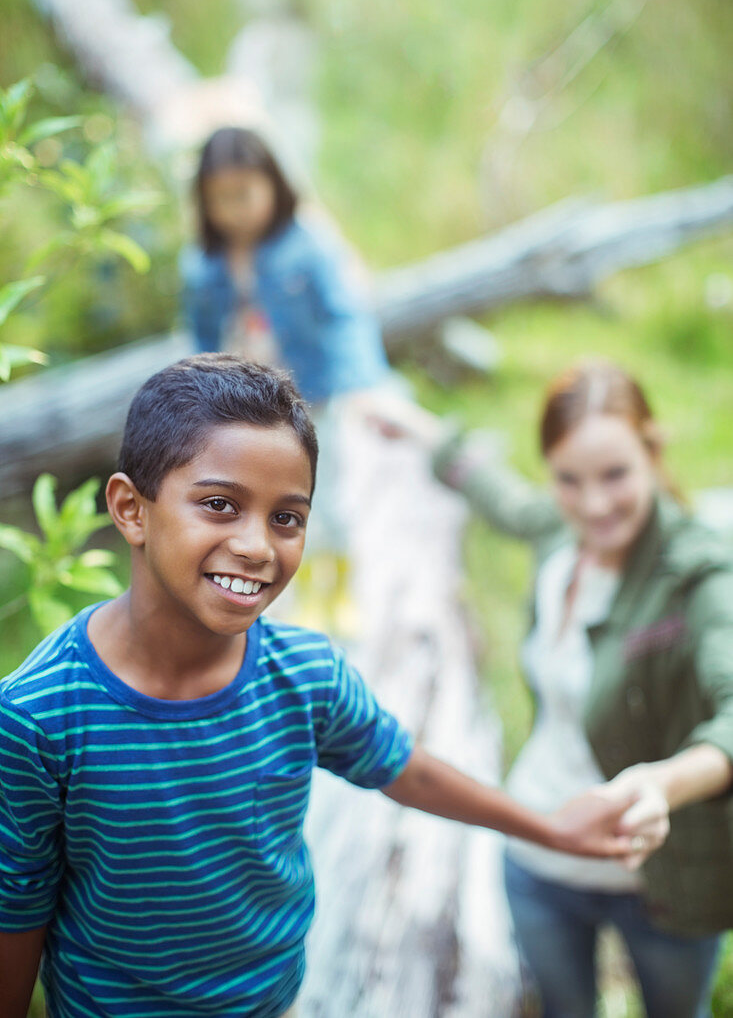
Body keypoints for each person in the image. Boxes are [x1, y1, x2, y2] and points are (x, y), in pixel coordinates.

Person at [0, 354, 640, 1018]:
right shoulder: (40, 716)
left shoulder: (305, 676)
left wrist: (547, 829)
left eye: (287, 518)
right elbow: (16, 907)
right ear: (131, 510)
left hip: (274, 1000)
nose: (256, 546)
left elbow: (403, 769)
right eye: (219, 505)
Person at [379, 359, 733, 1018]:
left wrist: (660, 784)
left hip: (657, 878)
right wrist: (421, 431)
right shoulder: (559, 534)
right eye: (568, 480)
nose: (593, 504)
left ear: (653, 453)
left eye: (615, 475)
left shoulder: (699, 578)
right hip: (537, 854)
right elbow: (502, 499)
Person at [180, 126, 394, 625]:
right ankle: (274, 589)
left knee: (326, 496)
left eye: (245, 193)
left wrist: (364, 383)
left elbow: (346, 315)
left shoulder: (307, 248)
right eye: (220, 198)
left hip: (310, 397)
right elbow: (199, 338)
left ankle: (338, 586)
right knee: (259, 501)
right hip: (243, 407)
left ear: (274, 185)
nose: (235, 209)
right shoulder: (203, 266)